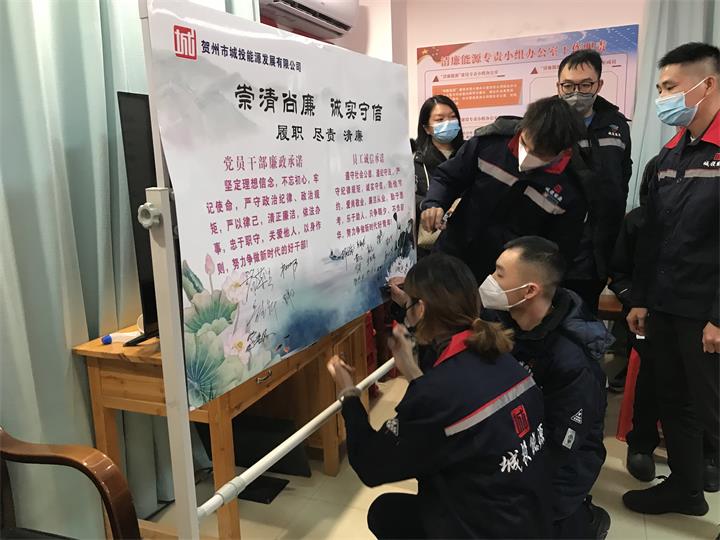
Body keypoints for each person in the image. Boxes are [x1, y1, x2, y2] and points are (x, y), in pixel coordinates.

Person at [327, 253, 551, 539]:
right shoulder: (506, 360)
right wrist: (412, 371)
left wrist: (349, 394)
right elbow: (449, 409)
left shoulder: (437, 393)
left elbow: (371, 465)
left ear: (421, 310)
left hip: (483, 527)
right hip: (528, 521)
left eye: (409, 306)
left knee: (384, 513)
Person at [624, 42, 720, 515]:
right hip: (666, 305)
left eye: (670, 87)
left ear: (707, 84)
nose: (662, 98)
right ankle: (686, 490)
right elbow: (651, 236)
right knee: (675, 402)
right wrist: (641, 298)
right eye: (659, 88)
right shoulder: (667, 156)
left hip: (708, 314)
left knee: (715, 413)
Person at [480, 236, 612, 538]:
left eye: (499, 274)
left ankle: (583, 523)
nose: (490, 281)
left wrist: (506, 476)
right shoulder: (503, 319)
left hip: (562, 460)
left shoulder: (571, 359)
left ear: (529, 290)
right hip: (514, 438)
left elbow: (562, 444)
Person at [420, 96, 589, 283]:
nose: (527, 155)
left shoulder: (571, 189)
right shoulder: (490, 144)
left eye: (539, 154)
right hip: (453, 249)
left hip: (505, 275)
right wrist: (434, 202)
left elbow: (559, 251)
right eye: (525, 144)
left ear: (563, 152)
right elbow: (448, 177)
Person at [556, 50, 633, 312]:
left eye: (585, 85)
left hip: (599, 247)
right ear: (558, 86)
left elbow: (623, 175)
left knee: (585, 317)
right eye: (568, 86)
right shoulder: (546, 123)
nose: (576, 92)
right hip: (554, 245)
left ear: (599, 84)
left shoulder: (617, 125)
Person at [608, 156, 661, 481]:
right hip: (643, 315)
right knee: (649, 378)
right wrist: (636, 302)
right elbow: (619, 273)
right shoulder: (637, 221)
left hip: (692, 315)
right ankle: (641, 445)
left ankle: (708, 451)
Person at [411, 95, 465, 257]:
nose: (448, 123)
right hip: (431, 243)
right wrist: (428, 206)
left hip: (464, 240)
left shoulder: (469, 153)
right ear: (427, 128)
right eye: (440, 119)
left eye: (452, 117)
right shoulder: (415, 159)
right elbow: (406, 196)